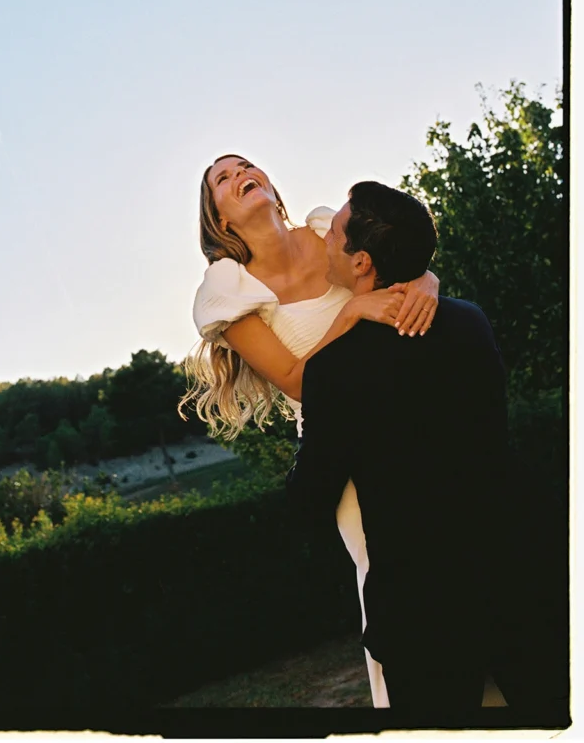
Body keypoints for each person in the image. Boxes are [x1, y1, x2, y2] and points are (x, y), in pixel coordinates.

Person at [183, 155, 440, 707]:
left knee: (454, 548)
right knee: (385, 573)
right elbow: (300, 382)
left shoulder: (331, 229)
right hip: (343, 449)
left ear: (271, 185)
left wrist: (428, 279)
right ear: (221, 220)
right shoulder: (230, 286)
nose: (238, 175)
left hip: (414, 414)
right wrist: (351, 315)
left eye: (245, 166)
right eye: (222, 181)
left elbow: (398, 263)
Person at [286, 181, 509, 717]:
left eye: (334, 234)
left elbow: (308, 501)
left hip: (421, 614)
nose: (324, 242)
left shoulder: (335, 369)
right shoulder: (470, 320)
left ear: (361, 262)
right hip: (508, 584)